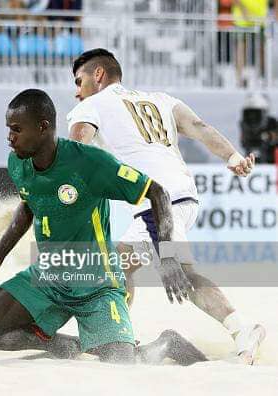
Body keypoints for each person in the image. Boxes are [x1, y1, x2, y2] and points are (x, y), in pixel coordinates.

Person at [0, 89, 205, 365]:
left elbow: (157, 193)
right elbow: (29, 206)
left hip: (97, 284)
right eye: (8, 129)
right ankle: (70, 347)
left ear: (43, 127)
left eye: (16, 129)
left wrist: (169, 254)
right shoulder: (18, 163)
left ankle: (166, 343)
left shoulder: (89, 163)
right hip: (48, 276)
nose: (9, 137)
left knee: (121, 363)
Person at [66, 48, 265, 364]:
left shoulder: (92, 106)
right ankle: (120, 337)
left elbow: (76, 149)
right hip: (183, 195)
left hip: (156, 202)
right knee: (129, 265)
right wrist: (234, 158)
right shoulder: (160, 99)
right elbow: (200, 127)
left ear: (98, 75)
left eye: (79, 81)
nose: (77, 91)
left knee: (130, 268)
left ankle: (240, 330)